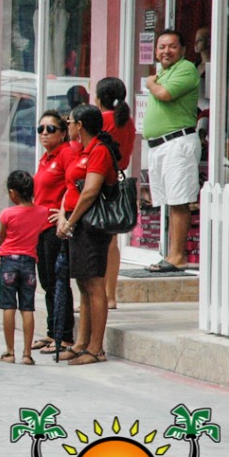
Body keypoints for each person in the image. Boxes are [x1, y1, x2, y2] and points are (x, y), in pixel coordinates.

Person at [56, 105, 121, 366]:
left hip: (91, 226)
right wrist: (64, 217)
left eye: (69, 121)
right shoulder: (81, 151)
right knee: (83, 284)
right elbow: (71, 188)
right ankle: (81, 342)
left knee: (95, 285)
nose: (67, 126)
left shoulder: (99, 151)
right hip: (78, 224)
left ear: (80, 125)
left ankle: (96, 348)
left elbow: (91, 191)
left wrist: (71, 221)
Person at [144, 29, 200, 273]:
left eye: (172, 46)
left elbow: (165, 94)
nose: (166, 51)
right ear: (156, 51)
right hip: (159, 146)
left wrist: (150, 83)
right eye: (162, 47)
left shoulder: (185, 68)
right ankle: (169, 253)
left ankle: (177, 256)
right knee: (168, 201)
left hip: (177, 143)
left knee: (179, 201)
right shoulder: (163, 72)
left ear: (183, 50)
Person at [30, 110, 77, 355]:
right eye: (41, 129)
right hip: (40, 227)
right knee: (47, 282)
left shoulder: (66, 153)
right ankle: (52, 331)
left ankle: (65, 335)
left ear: (63, 132)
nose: (45, 133)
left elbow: (74, 184)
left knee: (59, 282)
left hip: (55, 229)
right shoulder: (45, 158)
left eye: (51, 129)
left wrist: (63, 214)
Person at [0, 171, 47, 366]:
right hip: (29, 263)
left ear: (12, 193)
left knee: (8, 306)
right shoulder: (42, 212)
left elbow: (3, 238)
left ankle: (10, 352)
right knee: (27, 307)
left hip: (9, 261)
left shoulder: (7, 214)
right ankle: (27, 354)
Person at [94, 78, 135, 308]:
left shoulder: (102, 120)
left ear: (99, 98)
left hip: (99, 179)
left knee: (97, 242)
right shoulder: (126, 121)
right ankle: (110, 295)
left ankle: (97, 295)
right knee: (112, 241)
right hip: (117, 179)